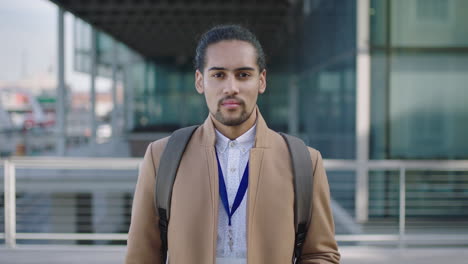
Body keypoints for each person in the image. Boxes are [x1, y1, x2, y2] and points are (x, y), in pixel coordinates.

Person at [125, 24, 340, 264]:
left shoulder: (304, 161)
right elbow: (141, 256)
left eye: (243, 75)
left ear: (261, 81)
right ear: (200, 81)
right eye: (218, 75)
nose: (231, 88)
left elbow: (320, 254)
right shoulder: (162, 156)